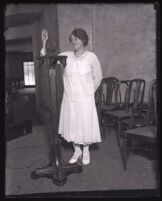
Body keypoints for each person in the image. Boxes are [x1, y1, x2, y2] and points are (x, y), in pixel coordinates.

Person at [58, 28, 103, 165]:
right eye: (72, 39)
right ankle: (76, 151)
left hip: (85, 99)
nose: (73, 41)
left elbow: (98, 77)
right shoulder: (66, 56)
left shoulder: (92, 57)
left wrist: (89, 92)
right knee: (72, 125)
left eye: (76, 39)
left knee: (84, 125)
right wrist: (43, 44)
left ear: (84, 40)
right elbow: (49, 60)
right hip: (69, 99)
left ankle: (86, 151)